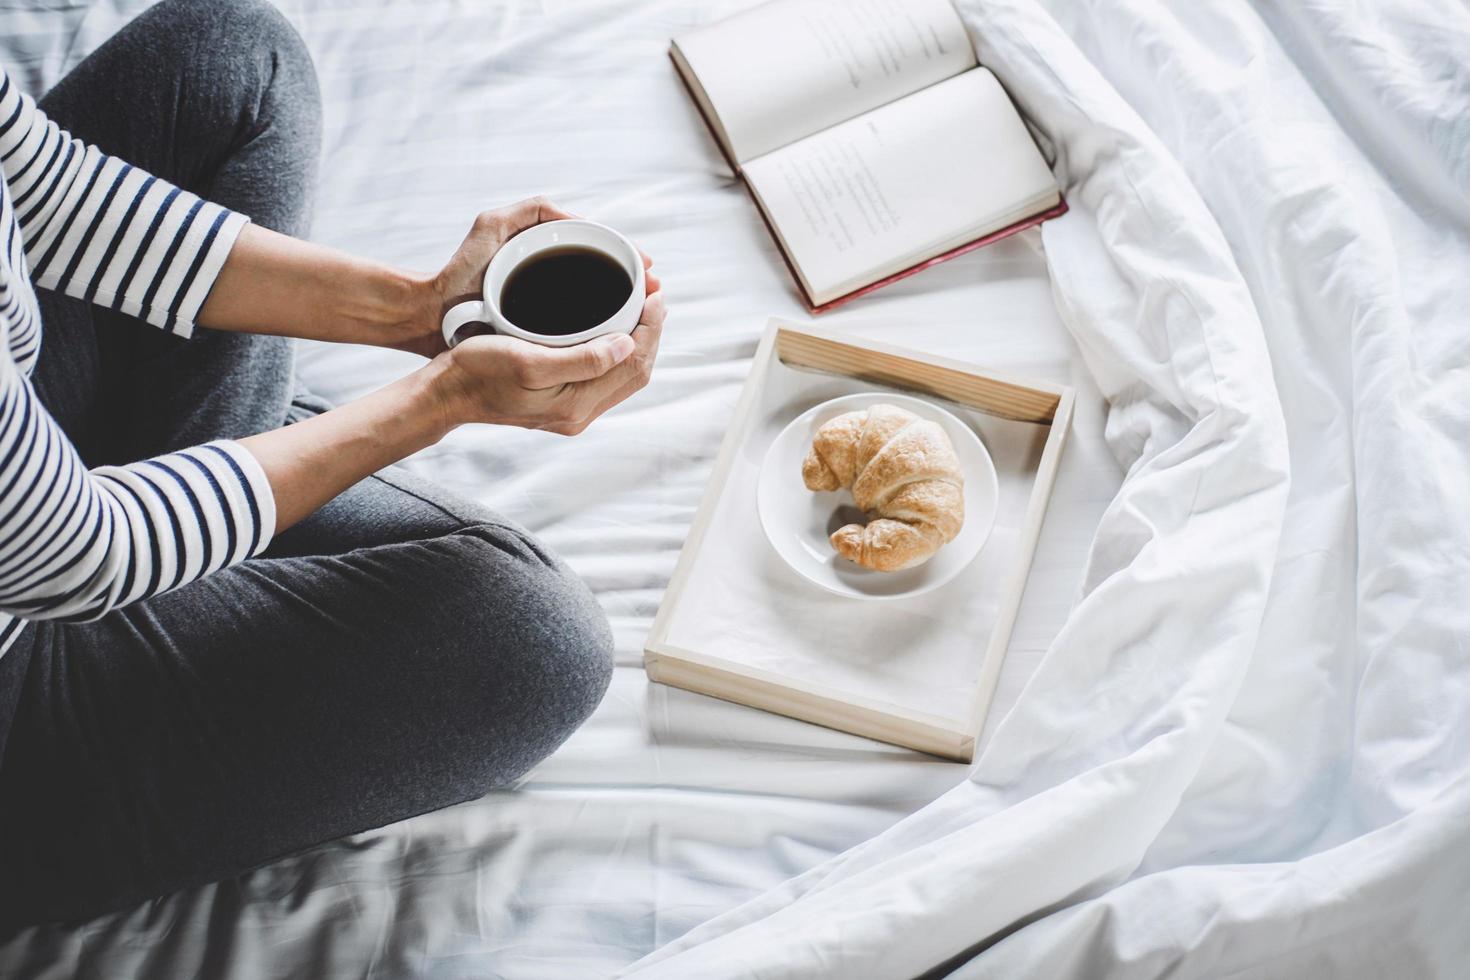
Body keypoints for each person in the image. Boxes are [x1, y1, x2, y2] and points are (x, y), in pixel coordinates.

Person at [0, 0, 665, 929]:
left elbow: (46, 197)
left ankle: (211, 501)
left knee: (234, 56)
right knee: (534, 642)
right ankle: (212, 526)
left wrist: (420, 309)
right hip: (30, 654)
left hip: (33, 486)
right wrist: (440, 399)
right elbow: (78, 553)